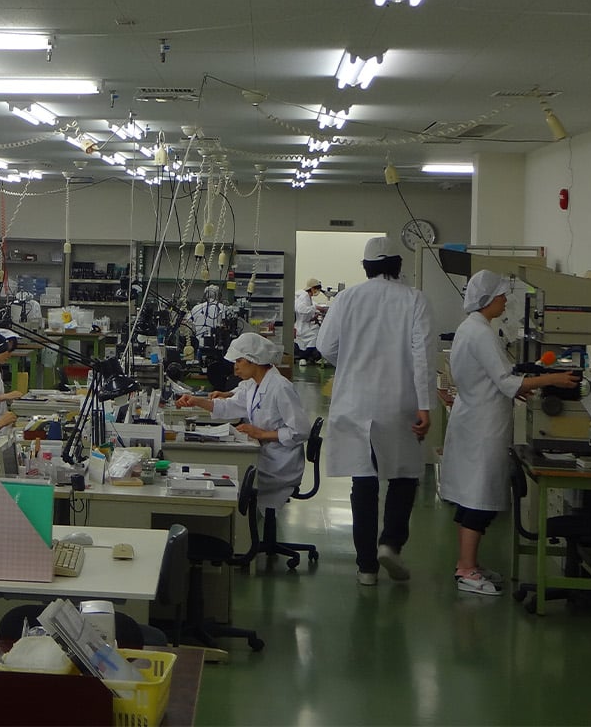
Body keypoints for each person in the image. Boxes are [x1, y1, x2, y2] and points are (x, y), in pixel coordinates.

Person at [440, 270, 580, 595]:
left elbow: (495, 378)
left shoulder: (471, 328)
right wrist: (554, 379)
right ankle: (466, 569)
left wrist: (521, 384)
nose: (505, 301)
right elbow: (507, 382)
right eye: (502, 296)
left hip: (474, 420)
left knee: (473, 497)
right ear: (488, 299)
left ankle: (468, 564)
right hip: (482, 426)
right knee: (478, 500)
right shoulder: (480, 333)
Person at [315, 236, 435, 586]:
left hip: (354, 401)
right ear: (398, 264)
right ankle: (390, 544)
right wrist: (425, 405)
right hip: (398, 400)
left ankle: (366, 566)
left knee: (363, 481)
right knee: (403, 475)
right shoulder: (414, 299)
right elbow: (423, 356)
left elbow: (325, 346)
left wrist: (351, 363)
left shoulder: (347, 298)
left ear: (366, 267)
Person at [176, 333, 307, 511]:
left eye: (239, 361)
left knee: (231, 475)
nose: (235, 368)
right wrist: (197, 401)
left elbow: (300, 431)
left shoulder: (280, 387)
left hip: (280, 463)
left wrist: (261, 434)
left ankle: (240, 523)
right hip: (266, 453)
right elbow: (229, 406)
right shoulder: (254, 385)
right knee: (223, 470)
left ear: (254, 360)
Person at [293, 278, 328, 364]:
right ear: (312, 288)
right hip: (302, 327)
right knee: (316, 335)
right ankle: (308, 356)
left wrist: (314, 316)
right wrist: (315, 308)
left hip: (305, 324)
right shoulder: (304, 296)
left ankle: (307, 356)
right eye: (316, 288)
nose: (317, 291)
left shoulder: (308, 297)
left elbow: (308, 310)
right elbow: (301, 309)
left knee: (316, 332)